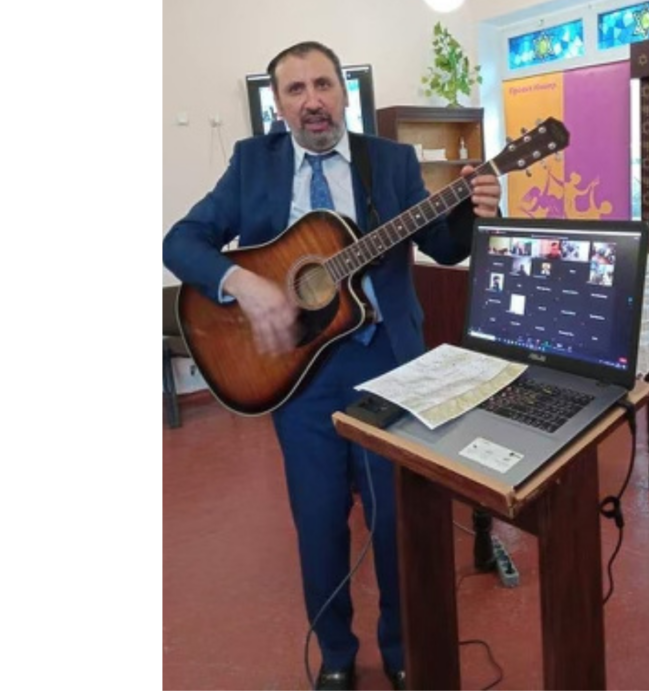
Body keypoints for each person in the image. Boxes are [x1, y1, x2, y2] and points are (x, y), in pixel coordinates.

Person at [162, 41, 501, 691]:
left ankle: (403, 647)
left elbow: (445, 247)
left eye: (323, 85)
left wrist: (473, 211)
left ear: (345, 93)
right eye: (296, 90)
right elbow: (180, 241)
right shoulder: (251, 164)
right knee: (317, 523)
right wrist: (244, 282)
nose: (312, 101)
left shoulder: (392, 161)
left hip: (391, 369)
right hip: (299, 374)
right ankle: (338, 655)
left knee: (396, 520)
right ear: (279, 104)